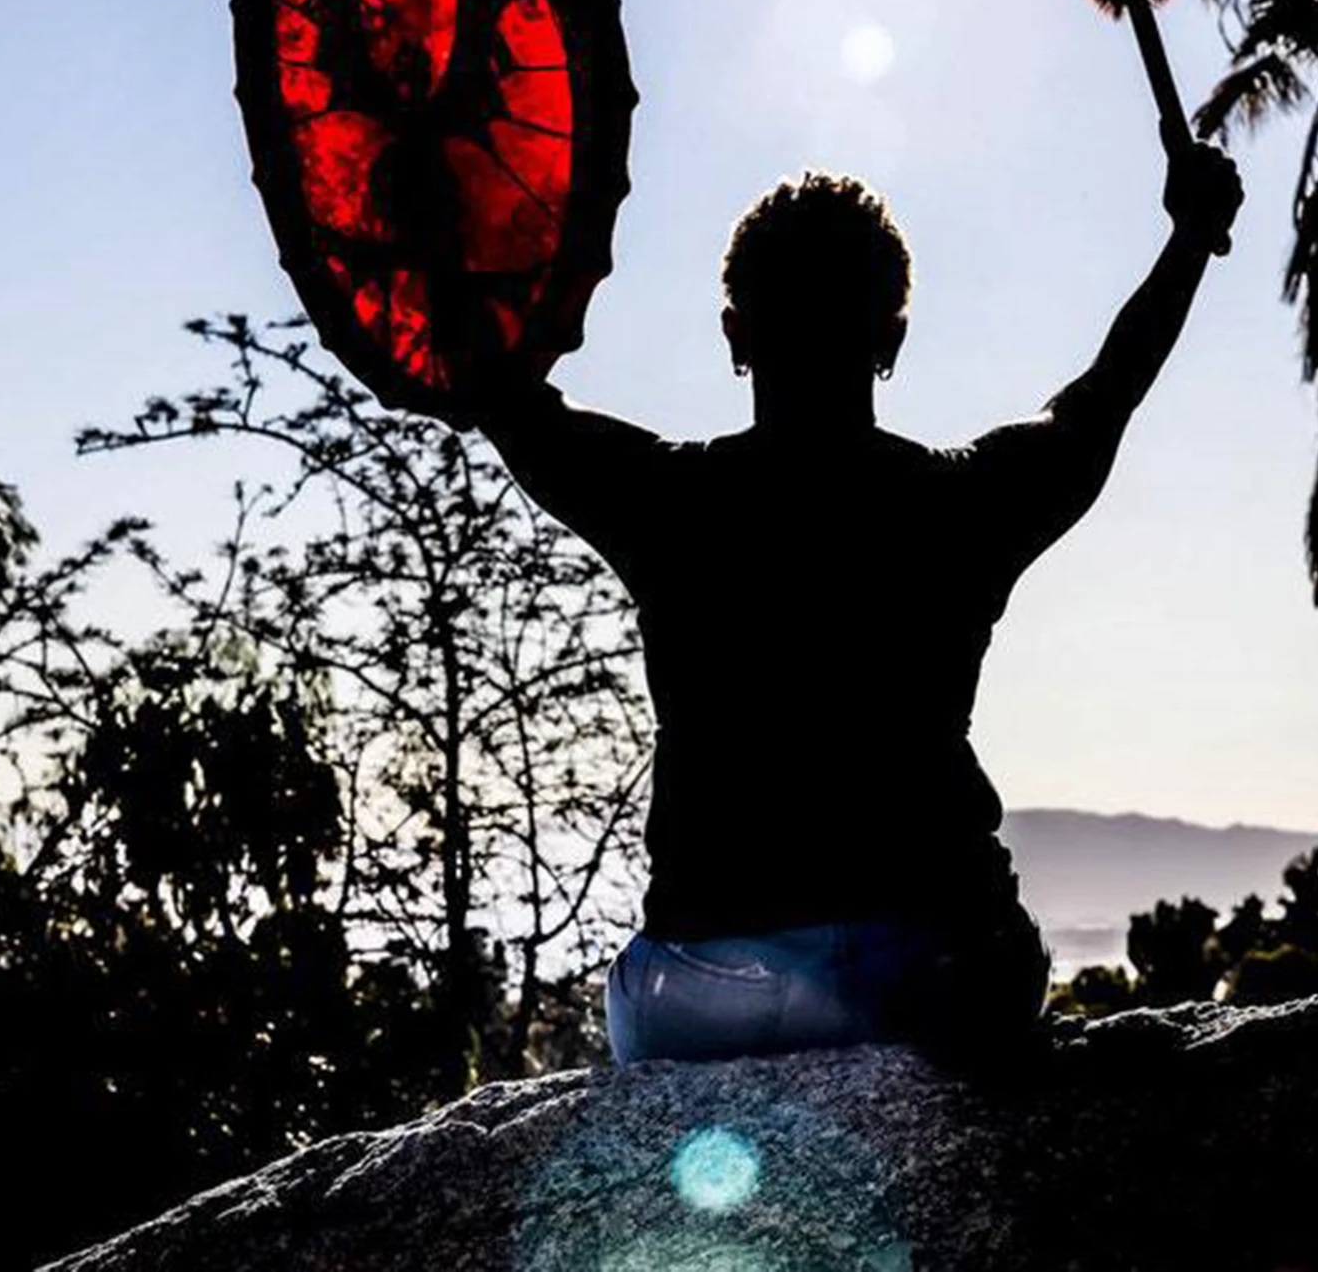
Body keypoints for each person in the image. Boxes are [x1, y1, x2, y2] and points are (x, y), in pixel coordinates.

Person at [471, 136, 1243, 1074]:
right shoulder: (964, 503)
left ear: (733, 335)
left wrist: (431, 200)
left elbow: (499, 394)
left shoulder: (663, 499)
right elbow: (1099, 400)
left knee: (645, 993)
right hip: (943, 968)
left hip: (712, 988)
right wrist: (1189, 241)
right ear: (892, 336)